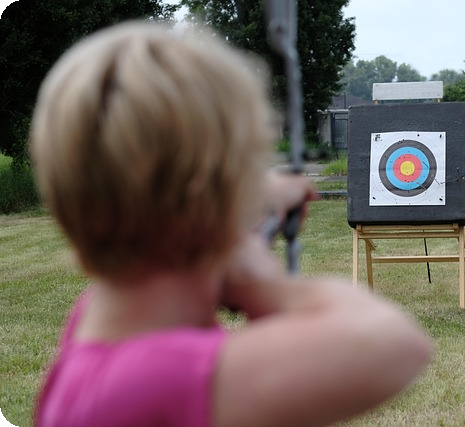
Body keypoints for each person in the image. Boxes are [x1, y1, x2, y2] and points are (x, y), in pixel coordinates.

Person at [30, 20, 434, 427]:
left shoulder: (99, 325)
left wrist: (237, 205)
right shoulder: (159, 379)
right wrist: (265, 284)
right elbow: (394, 343)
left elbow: (165, 216)